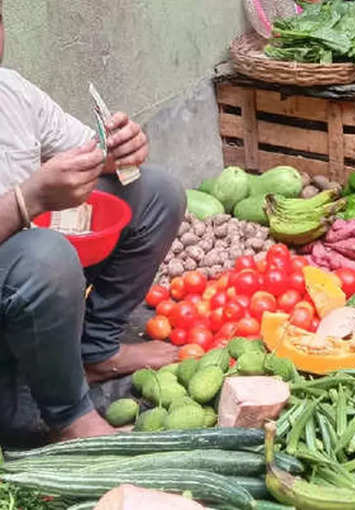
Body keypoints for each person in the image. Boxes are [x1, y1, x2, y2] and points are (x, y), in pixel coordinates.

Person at [0, 2, 184, 443]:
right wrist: (30, 198)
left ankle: (95, 351)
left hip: (30, 274)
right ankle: (70, 417)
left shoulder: (12, 91)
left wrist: (120, 148)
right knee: (43, 256)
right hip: (27, 270)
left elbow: (88, 153)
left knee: (156, 193)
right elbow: (33, 209)